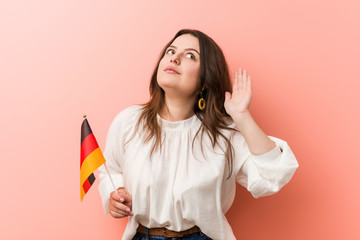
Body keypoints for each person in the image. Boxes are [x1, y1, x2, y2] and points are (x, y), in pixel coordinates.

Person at [98, 29, 299, 240]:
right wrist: (116, 193)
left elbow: (273, 174)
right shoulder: (129, 121)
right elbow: (110, 170)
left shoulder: (223, 133)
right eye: (170, 51)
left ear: (205, 79)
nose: (174, 58)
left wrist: (242, 116)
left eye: (190, 55)